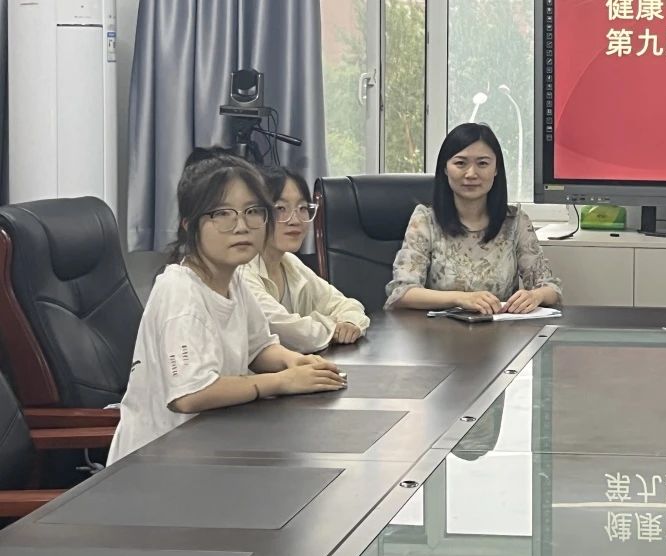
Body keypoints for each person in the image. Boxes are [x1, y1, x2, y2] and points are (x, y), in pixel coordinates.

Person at [108, 157, 346, 464]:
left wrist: (295, 362)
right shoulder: (180, 292)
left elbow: (259, 348)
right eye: (222, 214)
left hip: (211, 445)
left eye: (253, 211)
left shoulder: (233, 280)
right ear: (189, 224)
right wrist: (282, 382)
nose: (241, 226)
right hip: (157, 463)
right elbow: (190, 395)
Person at [385, 122, 562, 314]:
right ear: (445, 168)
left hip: (501, 329)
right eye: (460, 163)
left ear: (496, 169)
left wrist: (535, 296)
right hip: (438, 330)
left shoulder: (514, 221)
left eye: (482, 163)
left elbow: (550, 288)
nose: (471, 174)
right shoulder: (425, 220)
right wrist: (460, 298)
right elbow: (402, 293)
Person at [241, 165, 370, 353]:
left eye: (302, 208)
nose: (295, 220)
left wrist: (350, 323)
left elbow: (346, 304)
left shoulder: (290, 263)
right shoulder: (240, 270)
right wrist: (333, 327)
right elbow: (287, 331)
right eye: (281, 208)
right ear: (254, 214)